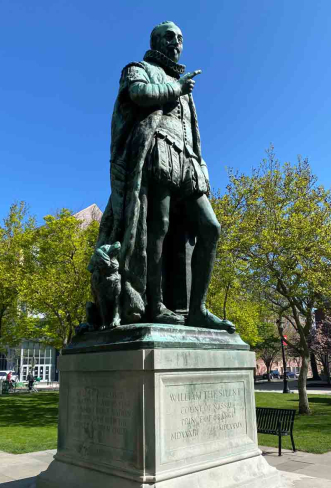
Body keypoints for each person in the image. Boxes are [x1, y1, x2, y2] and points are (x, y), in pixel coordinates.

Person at [94, 21, 234, 333]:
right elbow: (138, 94)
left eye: (181, 38)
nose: (177, 43)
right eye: (170, 37)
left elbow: (192, 131)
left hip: (187, 160)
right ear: (156, 41)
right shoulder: (137, 68)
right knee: (156, 229)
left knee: (210, 227)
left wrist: (200, 164)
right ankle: (154, 304)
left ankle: (197, 309)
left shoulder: (181, 82)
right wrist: (176, 88)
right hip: (158, 150)